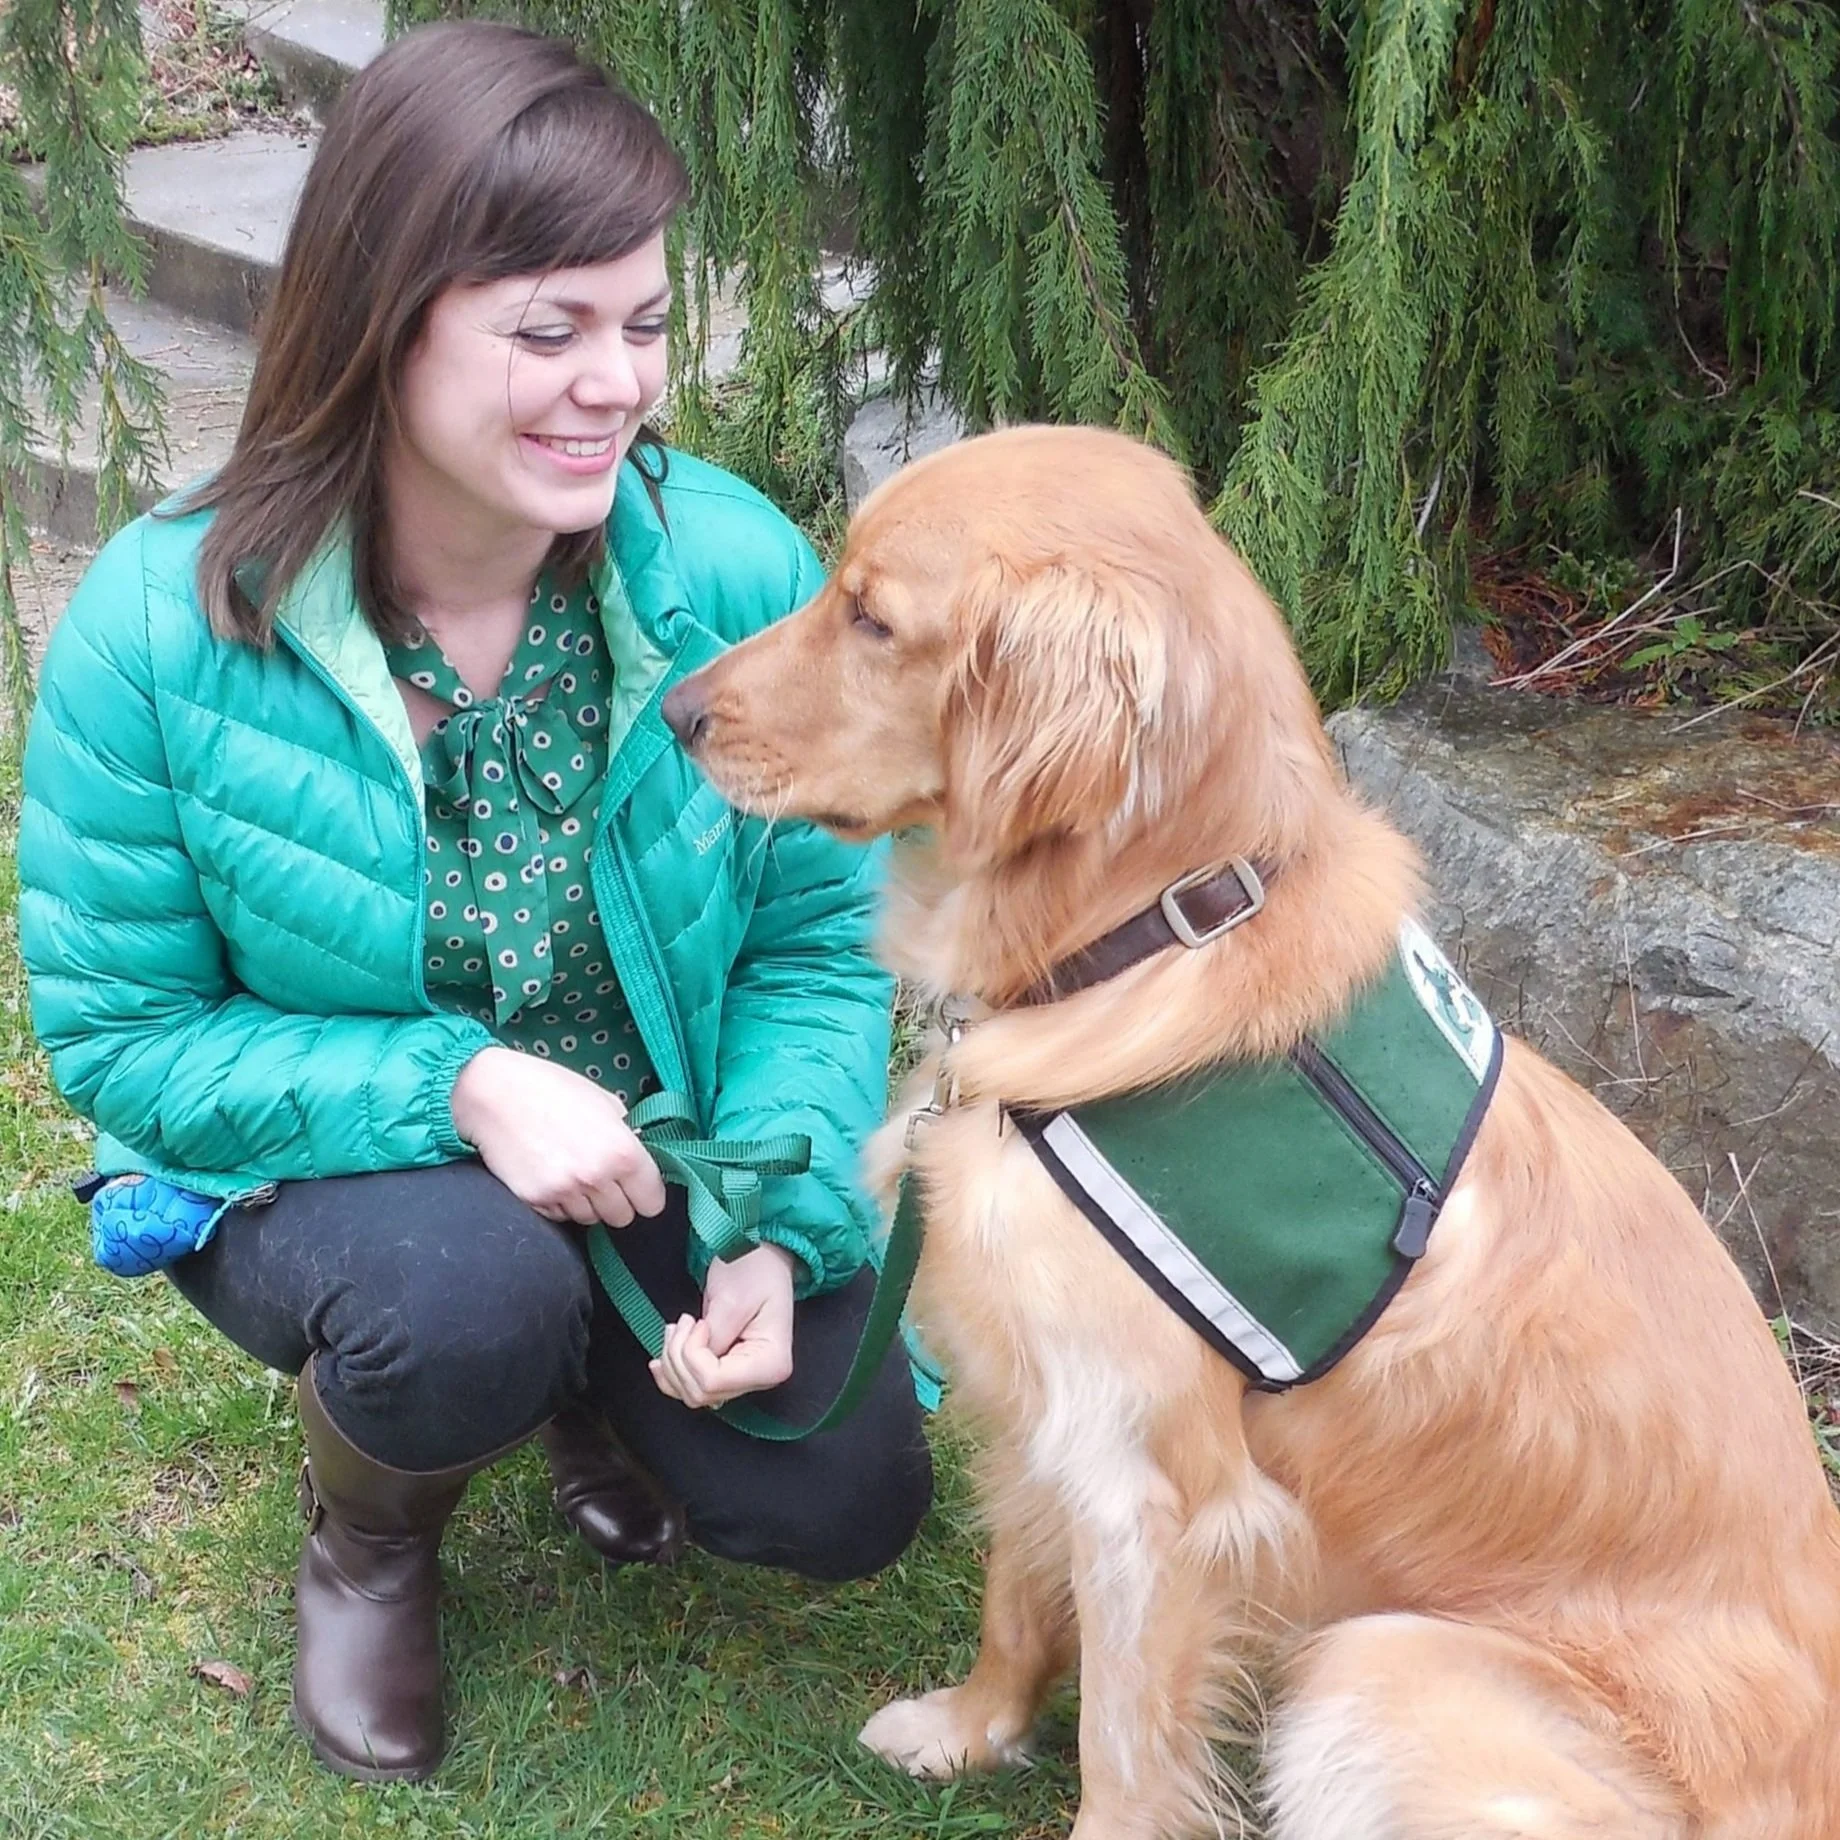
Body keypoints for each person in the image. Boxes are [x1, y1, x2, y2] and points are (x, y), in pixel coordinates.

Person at [17, 20, 930, 1785]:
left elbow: (818, 942)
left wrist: (776, 1221)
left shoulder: (735, 567)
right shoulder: (157, 624)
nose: (617, 384)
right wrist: (461, 1086)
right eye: (549, 330)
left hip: (658, 1137)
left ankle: (596, 1380)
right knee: (462, 1299)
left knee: (845, 1484)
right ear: (385, 319)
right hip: (347, 1165)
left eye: (643, 324)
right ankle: (372, 1535)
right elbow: (128, 1040)